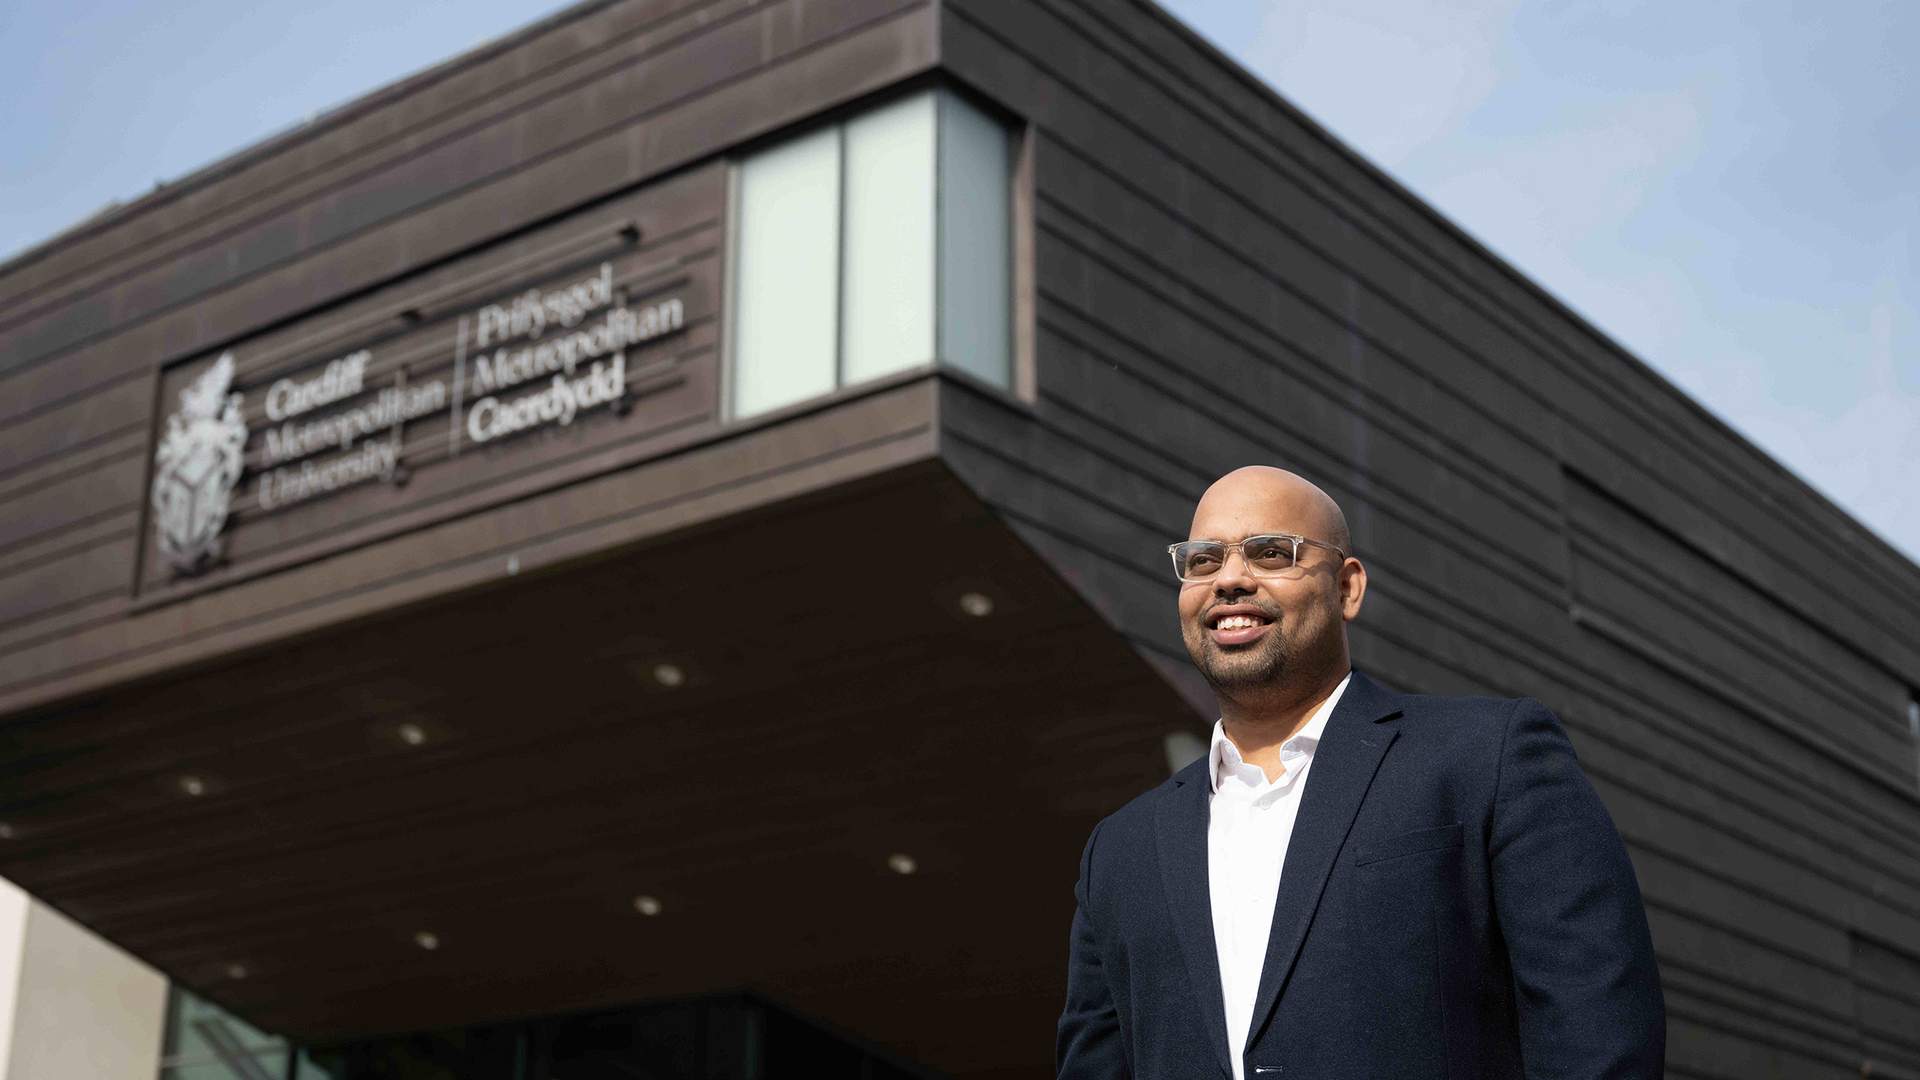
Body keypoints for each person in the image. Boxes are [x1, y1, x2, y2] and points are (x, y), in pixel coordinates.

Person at [1055, 466, 1665, 1079]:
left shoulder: (1488, 758)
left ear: (1347, 588)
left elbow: (1596, 1034)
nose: (1231, 579)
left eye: (1271, 554)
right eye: (1204, 561)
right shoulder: (1118, 851)